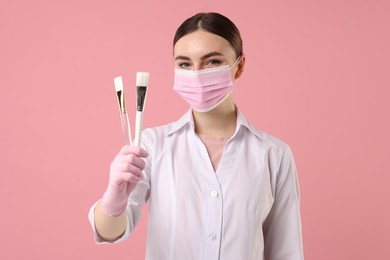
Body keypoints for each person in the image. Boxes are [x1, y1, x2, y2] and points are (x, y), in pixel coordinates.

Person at [89, 12, 304, 260]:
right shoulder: (152, 146)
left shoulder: (274, 154)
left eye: (212, 62)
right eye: (185, 64)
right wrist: (113, 200)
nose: (197, 73)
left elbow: (286, 252)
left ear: (240, 66)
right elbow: (110, 232)